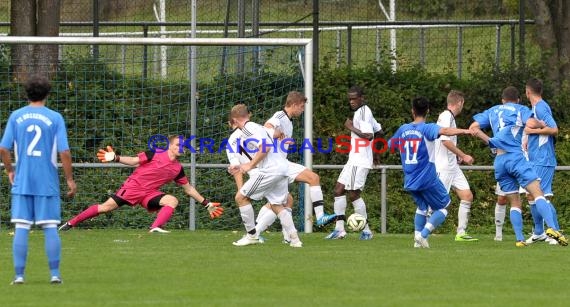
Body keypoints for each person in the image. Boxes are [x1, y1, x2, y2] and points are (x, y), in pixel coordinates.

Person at [0, 75, 77, 285]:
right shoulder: (55, 118)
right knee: (50, 226)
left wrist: (10, 170)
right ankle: (54, 274)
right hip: (47, 182)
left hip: (23, 181)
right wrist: (69, 179)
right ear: (47, 94)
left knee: (22, 227)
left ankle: (19, 276)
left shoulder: (16, 116)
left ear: (26, 94)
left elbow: (3, 148)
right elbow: (65, 151)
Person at [59, 135, 223, 233]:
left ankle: (154, 228)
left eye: (184, 146)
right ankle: (71, 223)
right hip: (132, 188)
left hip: (149, 193)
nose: (182, 148)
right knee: (105, 208)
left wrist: (206, 203)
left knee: (172, 200)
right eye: (178, 145)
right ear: (170, 145)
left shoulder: (177, 169)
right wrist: (116, 158)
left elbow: (188, 189)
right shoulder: (155, 153)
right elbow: (134, 160)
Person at [470, 86, 567, 247]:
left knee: (514, 202)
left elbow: (473, 127)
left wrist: (490, 142)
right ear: (518, 99)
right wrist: (539, 123)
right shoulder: (520, 109)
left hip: (499, 162)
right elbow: (531, 122)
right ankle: (552, 229)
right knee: (538, 193)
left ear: (502, 100)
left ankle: (520, 239)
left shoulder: (493, 110)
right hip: (516, 157)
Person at [388, 96, 472, 248]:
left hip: (410, 179)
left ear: (412, 111)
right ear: (427, 111)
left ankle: (417, 241)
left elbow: (391, 146)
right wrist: (466, 131)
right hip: (427, 178)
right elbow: (445, 131)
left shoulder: (403, 129)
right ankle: (423, 235)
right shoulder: (427, 128)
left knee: (422, 208)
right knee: (443, 207)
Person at [261, 91, 336, 238]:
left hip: (280, 164)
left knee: (285, 200)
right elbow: (266, 127)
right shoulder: (280, 116)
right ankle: (320, 216)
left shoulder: (288, 120)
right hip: (275, 165)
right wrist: (275, 133)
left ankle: (276, 235)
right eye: (301, 107)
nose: (302, 110)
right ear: (294, 105)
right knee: (311, 179)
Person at [228, 104, 302, 247]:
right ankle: (295, 239)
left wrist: (249, 165)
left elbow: (265, 147)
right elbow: (275, 133)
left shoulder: (247, 129)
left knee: (240, 197)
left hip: (269, 170)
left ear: (235, 120)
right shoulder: (258, 127)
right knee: (277, 204)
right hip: (282, 167)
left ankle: (252, 235)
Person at [326, 86, 383, 240]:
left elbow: (370, 135)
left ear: (361, 98)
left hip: (359, 161)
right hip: (354, 160)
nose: (351, 101)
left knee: (353, 194)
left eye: (354, 98)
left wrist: (350, 127)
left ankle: (366, 230)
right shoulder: (364, 112)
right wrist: (376, 154)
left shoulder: (363, 112)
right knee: (338, 190)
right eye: (349, 99)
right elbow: (379, 131)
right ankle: (339, 230)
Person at [434, 90, 478, 242]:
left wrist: (457, 155)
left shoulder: (449, 117)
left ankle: (461, 232)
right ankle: (421, 231)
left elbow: (448, 141)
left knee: (467, 196)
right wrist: (464, 155)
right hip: (444, 167)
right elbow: (444, 141)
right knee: (438, 202)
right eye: (462, 104)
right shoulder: (446, 115)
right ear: (459, 103)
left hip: (453, 166)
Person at [522, 78, 560, 245]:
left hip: (544, 159)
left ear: (528, 92)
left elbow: (554, 129)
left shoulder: (541, 107)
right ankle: (539, 232)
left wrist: (531, 131)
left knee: (541, 195)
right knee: (531, 194)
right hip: (536, 158)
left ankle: (556, 233)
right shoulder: (536, 107)